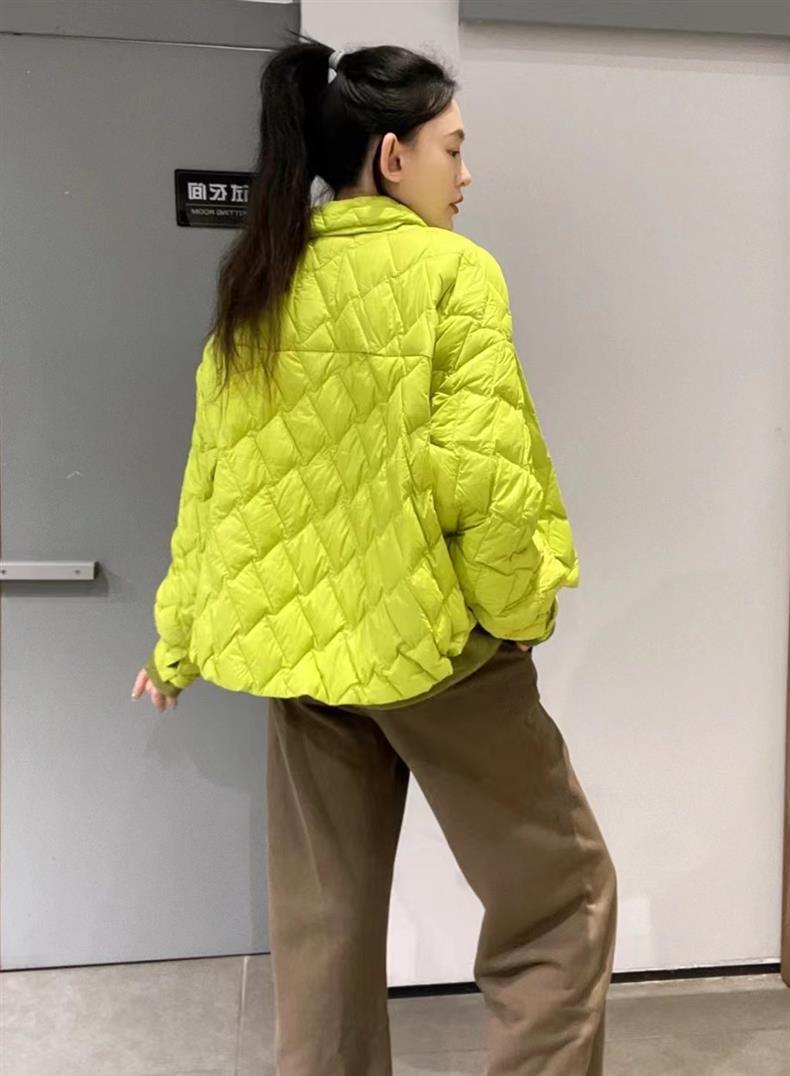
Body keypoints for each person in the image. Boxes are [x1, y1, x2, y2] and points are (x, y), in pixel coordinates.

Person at [130, 34, 617, 1076]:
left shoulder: (261, 276)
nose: (466, 173)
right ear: (392, 158)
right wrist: (518, 619)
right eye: (454, 148)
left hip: (302, 662)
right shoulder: (454, 273)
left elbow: (210, 486)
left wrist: (176, 645)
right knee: (560, 904)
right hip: (441, 657)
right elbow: (483, 482)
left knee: (323, 939)